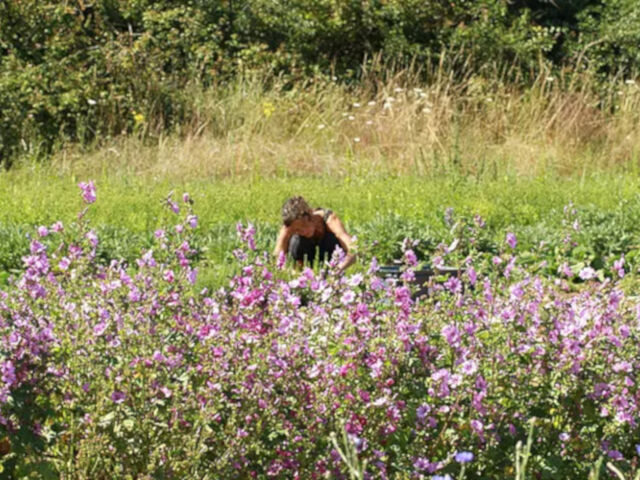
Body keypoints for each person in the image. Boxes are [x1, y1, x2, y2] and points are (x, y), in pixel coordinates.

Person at [274, 196, 355, 274]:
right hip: (305, 259)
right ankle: (301, 268)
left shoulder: (329, 219)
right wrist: (295, 274)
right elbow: (277, 256)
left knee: (330, 239)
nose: (301, 232)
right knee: (296, 241)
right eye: (296, 230)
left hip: (330, 259)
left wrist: (336, 270)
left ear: (310, 215)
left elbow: (353, 249)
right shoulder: (289, 225)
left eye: (303, 226)